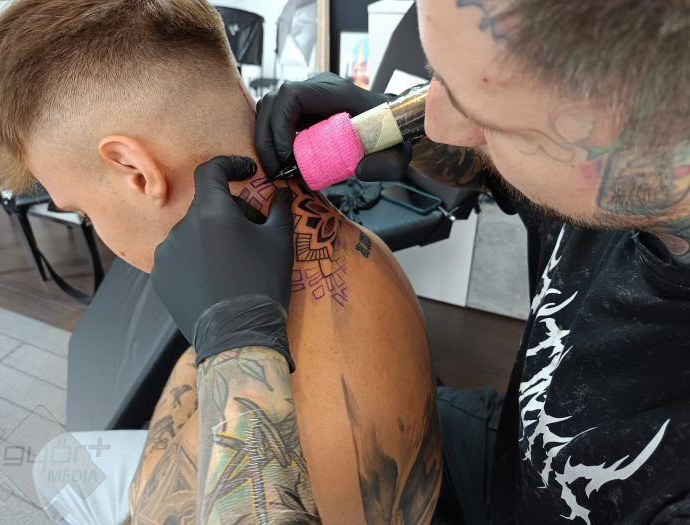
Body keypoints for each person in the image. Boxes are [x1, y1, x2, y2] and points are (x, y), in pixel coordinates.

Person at [0, 1, 441, 523]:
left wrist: (232, 339)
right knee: (53, 462)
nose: (93, 225)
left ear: (136, 172)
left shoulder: (315, 442)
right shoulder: (367, 252)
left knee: (51, 465)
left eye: (83, 211)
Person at [256, 1, 690, 524]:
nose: (437, 124)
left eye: (491, 118)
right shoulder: (619, 182)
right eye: (439, 76)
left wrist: (234, 342)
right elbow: (501, 170)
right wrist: (388, 120)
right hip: (513, 453)